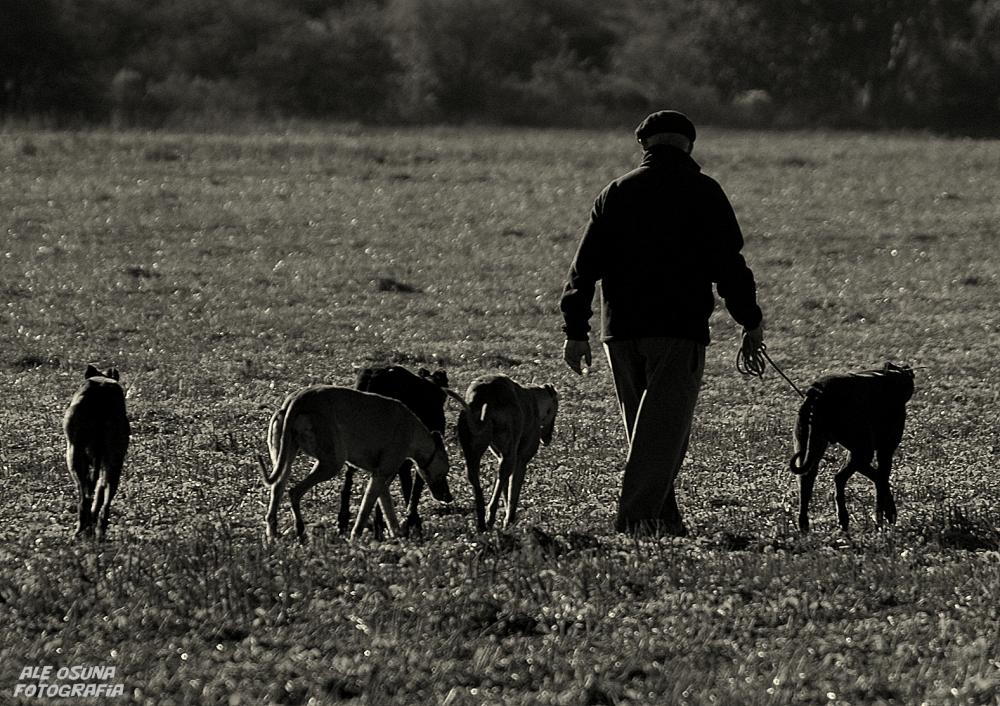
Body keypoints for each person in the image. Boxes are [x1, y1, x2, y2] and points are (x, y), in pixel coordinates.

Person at [560, 110, 764, 537]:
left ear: (645, 146)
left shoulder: (615, 192)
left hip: (621, 333)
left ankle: (665, 522)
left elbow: (583, 268)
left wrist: (576, 330)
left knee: (647, 433)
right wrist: (750, 320)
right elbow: (729, 265)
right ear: (688, 145)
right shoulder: (705, 191)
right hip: (678, 330)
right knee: (664, 434)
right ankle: (636, 523)